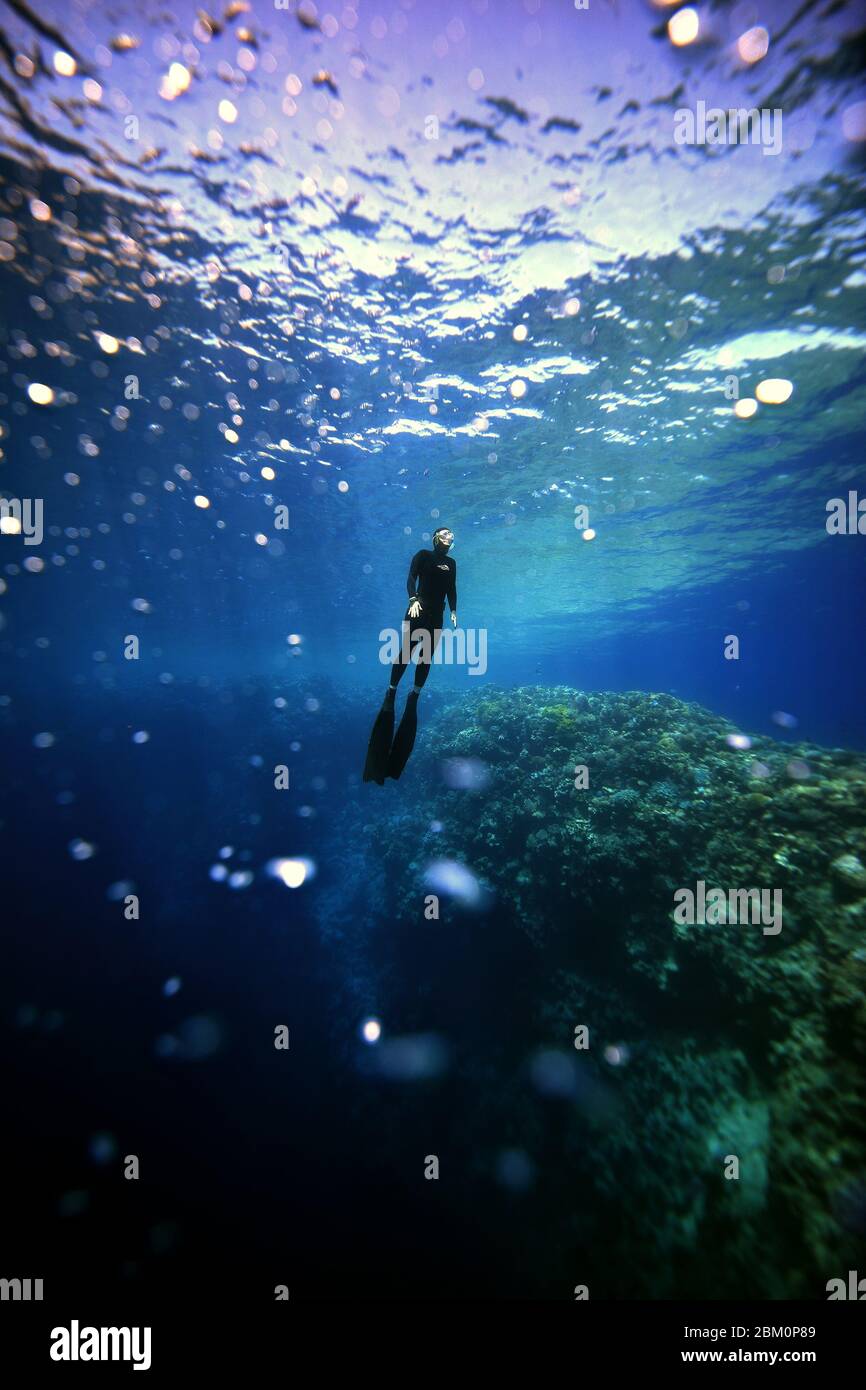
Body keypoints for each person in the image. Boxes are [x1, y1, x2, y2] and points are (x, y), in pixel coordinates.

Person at [363, 527, 457, 783]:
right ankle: (392, 691)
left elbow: (452, 589)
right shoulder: (423, 555)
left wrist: (453, 611)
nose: (449, 539)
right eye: (445, 534)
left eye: (452, 536)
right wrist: (412, 599)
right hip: (417, 610)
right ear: (436, 538)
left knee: (427, 657)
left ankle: (414, 694)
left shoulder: (452, 563)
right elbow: (410, 577)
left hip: (437, 616)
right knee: (407, 651)